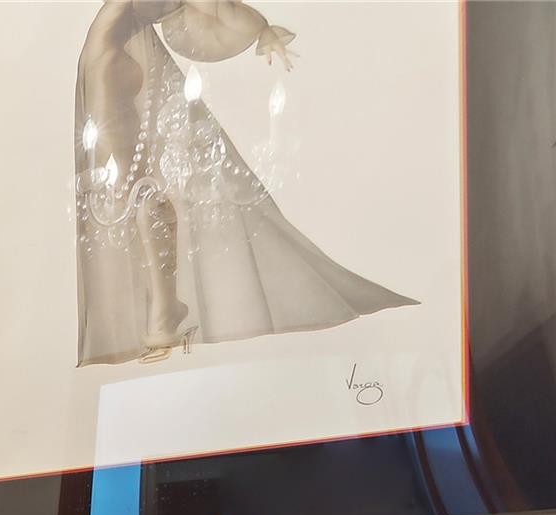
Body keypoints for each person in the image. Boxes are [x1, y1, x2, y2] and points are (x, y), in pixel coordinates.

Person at [73, 0, 414, 365]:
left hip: (108, 60)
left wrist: (259, 28)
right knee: (141, 190)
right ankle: (162, 314)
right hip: (111, 63)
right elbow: (218, 9)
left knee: (141, 191)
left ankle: (163, 314)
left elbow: (216, 9)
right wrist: (259, 28)